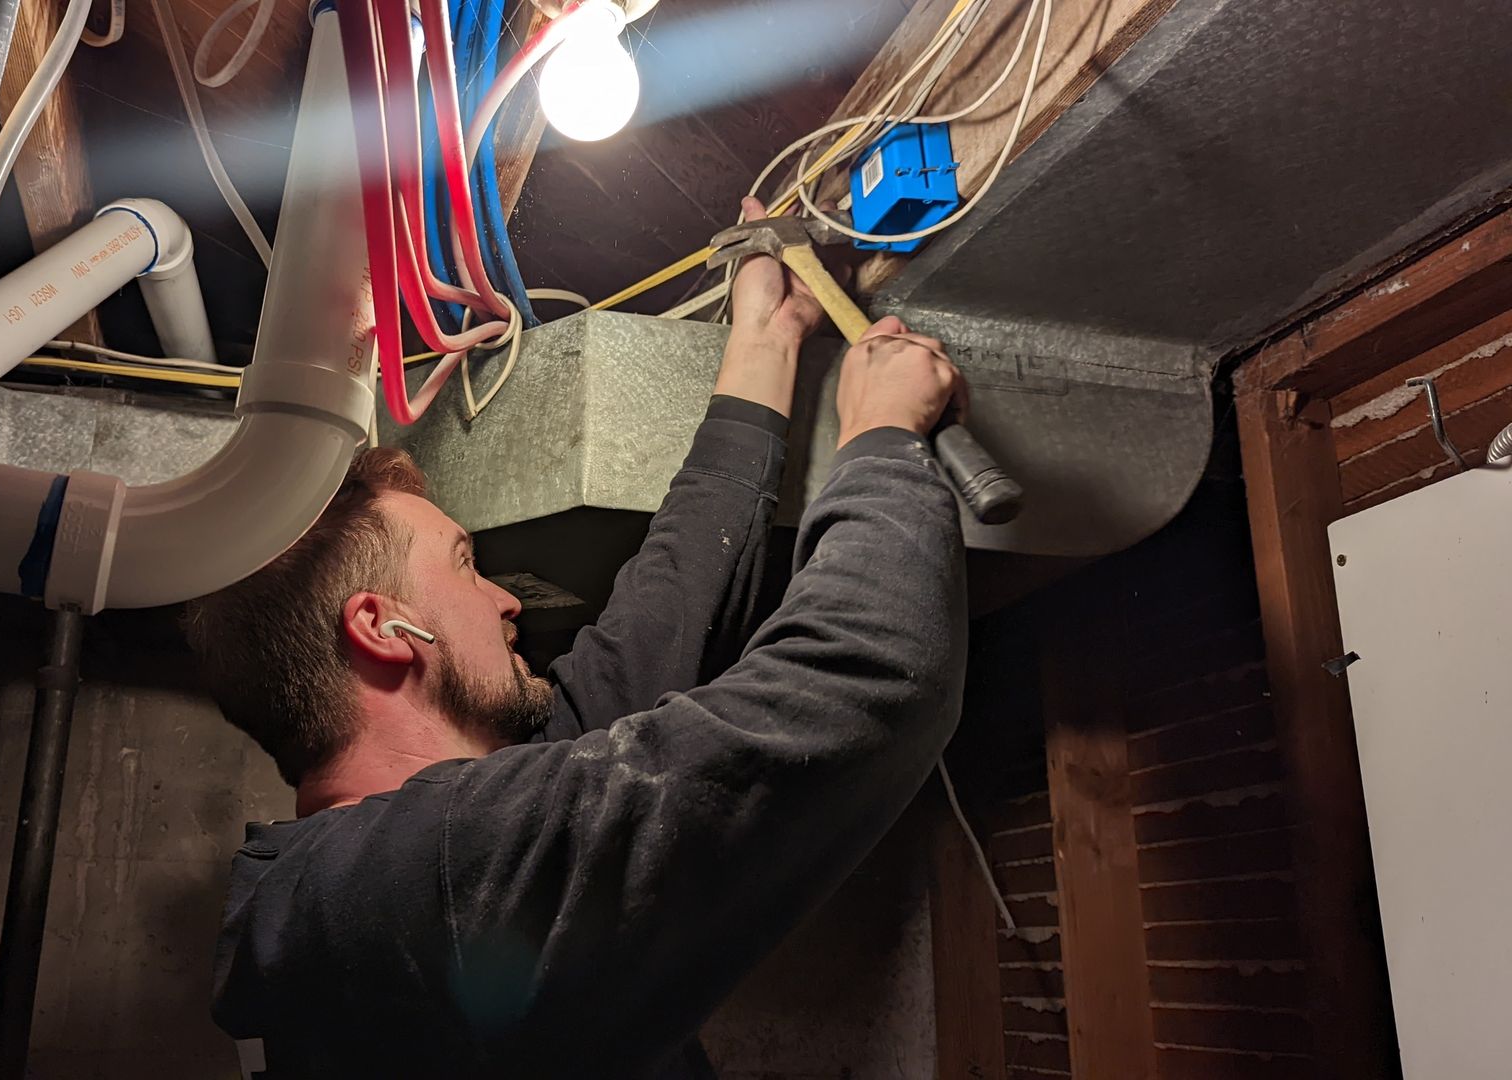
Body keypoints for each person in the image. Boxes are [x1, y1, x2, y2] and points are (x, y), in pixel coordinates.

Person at [185, 198, 970, 1078]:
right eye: (463, 564)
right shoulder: (421, 884)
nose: (504, 602)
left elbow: (661, 617)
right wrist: (882, 438)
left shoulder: (390, 879)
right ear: (382, 628)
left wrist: (766, 339)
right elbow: (868, 681)